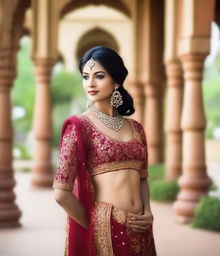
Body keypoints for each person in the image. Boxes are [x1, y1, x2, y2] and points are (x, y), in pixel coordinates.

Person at [53, 46, 157, 256]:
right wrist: (95, 223)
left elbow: (142, 178)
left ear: (116, 81)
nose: (90, 83)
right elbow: (61, 193)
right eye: (85, 76)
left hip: (141, 227)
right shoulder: (79, 127)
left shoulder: (136, 128)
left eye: (99, 76)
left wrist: (148, 212)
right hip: (105, 229)